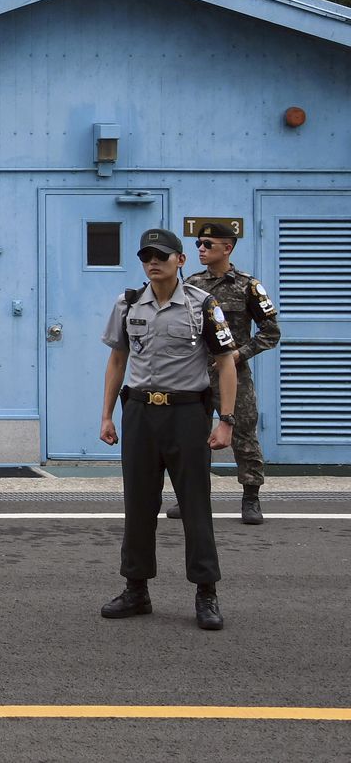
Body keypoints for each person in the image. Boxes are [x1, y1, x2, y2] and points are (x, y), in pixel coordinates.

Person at [98, 227, 237, 632]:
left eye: (161, 255)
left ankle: (206, 593)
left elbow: (226, 362)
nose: (152, 262)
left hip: (187, 414)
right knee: (138, 504)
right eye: (146, 256)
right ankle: (136, 589)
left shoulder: (202, 305)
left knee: (195, 505)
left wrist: (225, 420)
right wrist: (106, 415)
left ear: (181, 260)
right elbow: (117, 361)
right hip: (140, 412)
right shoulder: (127, 304)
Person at [183, 221, 279, 525]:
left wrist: (238, 354)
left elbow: (271, 332)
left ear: (228, 247)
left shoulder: (249, 285)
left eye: (208, 244)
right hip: (195, 373)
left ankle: (251, 497)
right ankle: (192, 499)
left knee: (244, 434)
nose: (201, 249)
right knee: (192, 438)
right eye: (199, 243)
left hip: (233, 373)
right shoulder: (191, 284)